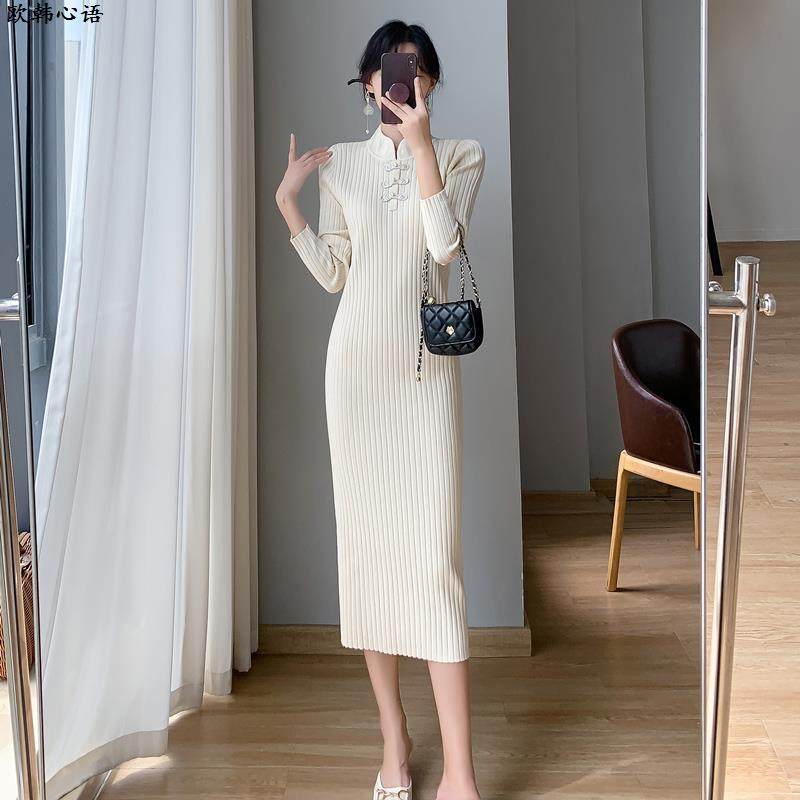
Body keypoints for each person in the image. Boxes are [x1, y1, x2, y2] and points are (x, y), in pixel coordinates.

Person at [275, 19, 485, 800]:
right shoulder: (342, 167)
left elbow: (444, 248)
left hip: (425, 382)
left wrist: (422, 148)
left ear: (429, 82)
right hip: (357, 380)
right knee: (369, 564)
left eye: (418, 67)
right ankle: (395, 741)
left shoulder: (461, 155)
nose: (405, 78)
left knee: (433, 570)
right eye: (393, 67)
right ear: (370, 82)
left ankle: (460, 772)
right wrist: (289, 206)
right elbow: (336, 273)